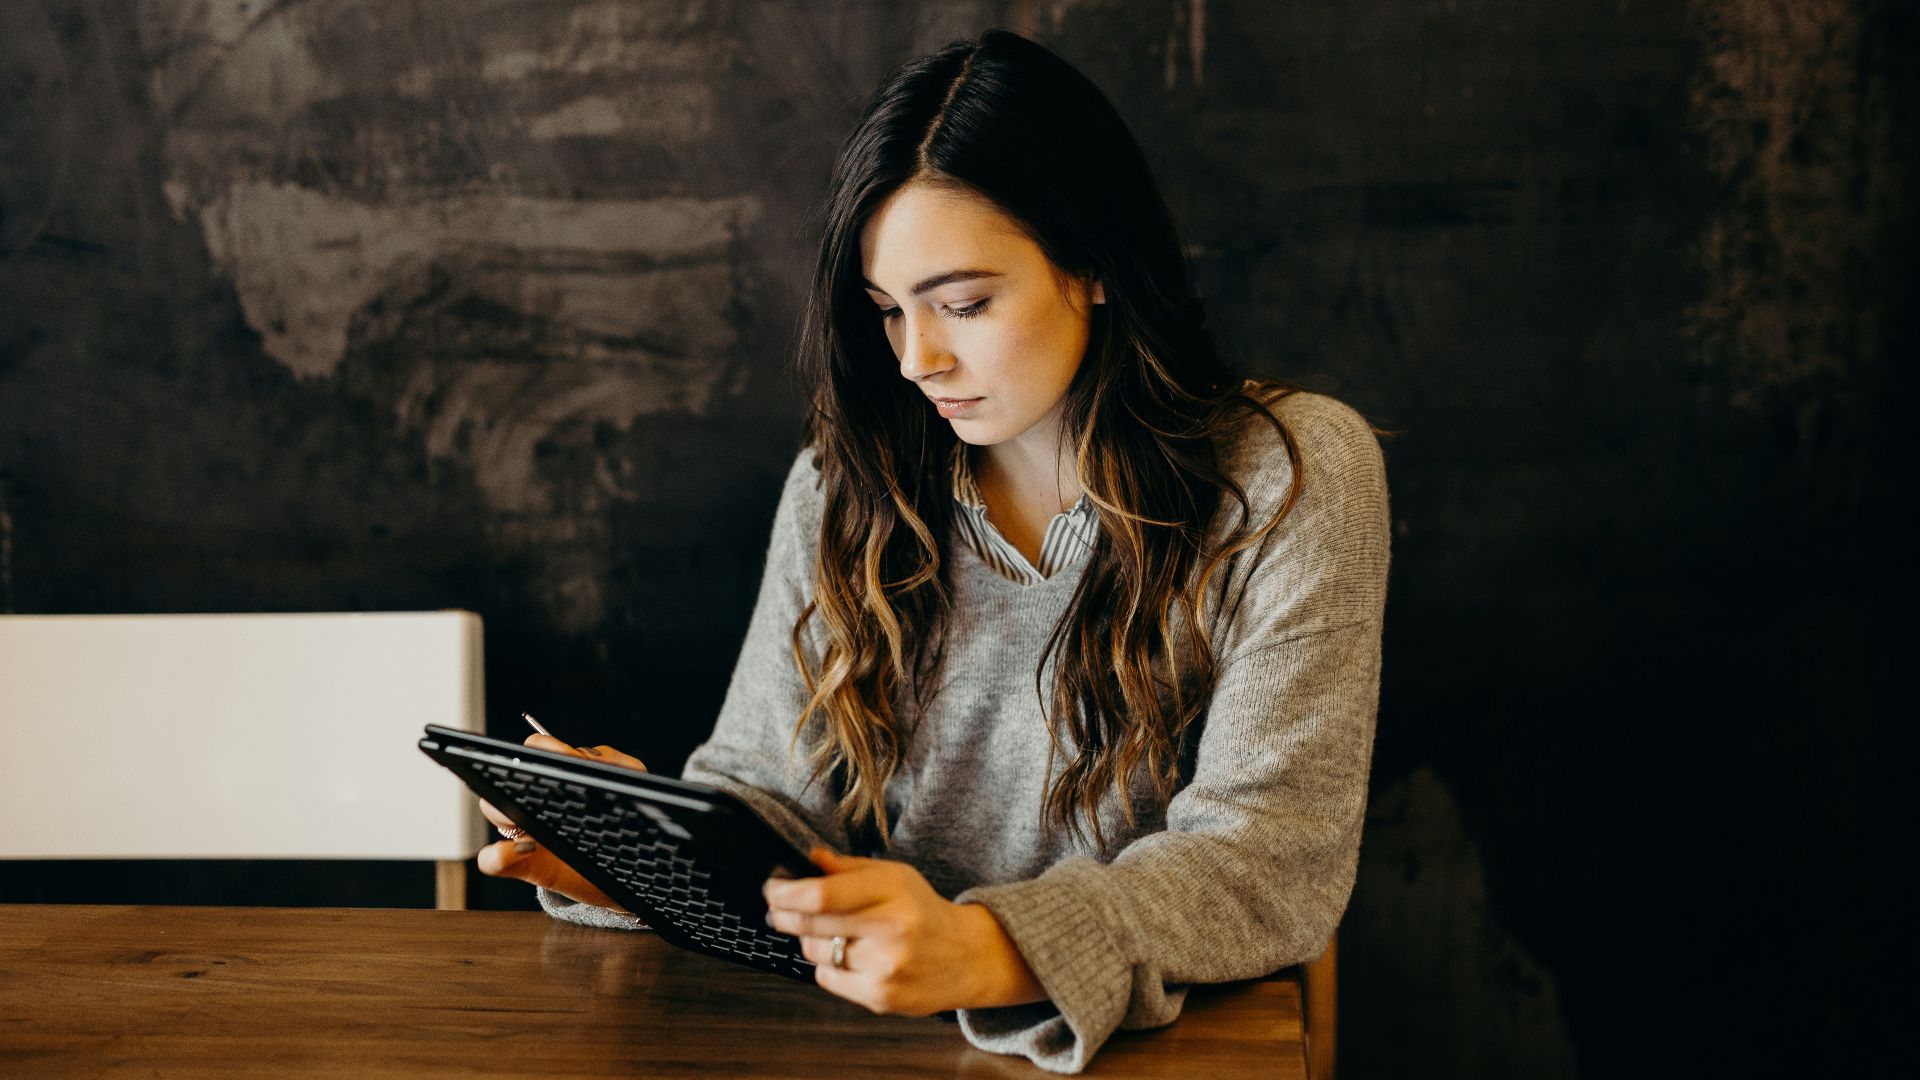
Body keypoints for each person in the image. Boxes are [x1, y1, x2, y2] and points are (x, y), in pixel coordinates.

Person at [475, 27, 1389, 1074]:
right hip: (877, 1048)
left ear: (1093, 265)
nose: (917, 359)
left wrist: (987, 948)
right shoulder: (842, 486)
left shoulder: (1290, 475)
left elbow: (1271, 858)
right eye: (888, 312)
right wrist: (637, 856)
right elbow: (777, 805)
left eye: (963, 304)